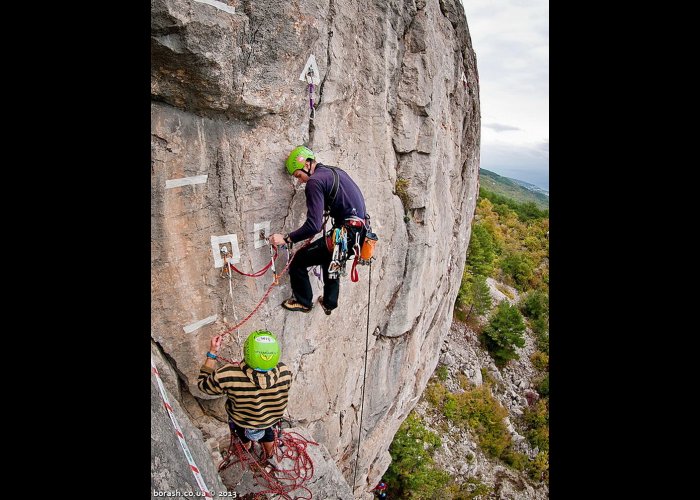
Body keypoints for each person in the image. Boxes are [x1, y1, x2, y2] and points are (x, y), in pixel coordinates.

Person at [270, 145, 367, 315]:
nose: (300, 181)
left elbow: (313, 225)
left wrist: (286, 238)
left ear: (307, 165)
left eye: (299, 175)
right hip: (359, 231)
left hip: (346, 233)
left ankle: (303, 301)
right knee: (328, 256)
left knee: (298, 260)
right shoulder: (334, 172)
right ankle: (329, 302)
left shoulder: (314, 182)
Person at [197, 330, 292, 462]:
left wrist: (212, 353)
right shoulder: (285, 371)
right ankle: (269, 456)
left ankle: (245, 450)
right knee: (268, 435)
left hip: (242, 421)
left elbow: (203, 385)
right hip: (270, 420)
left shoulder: (228, 374)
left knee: (242, 437)